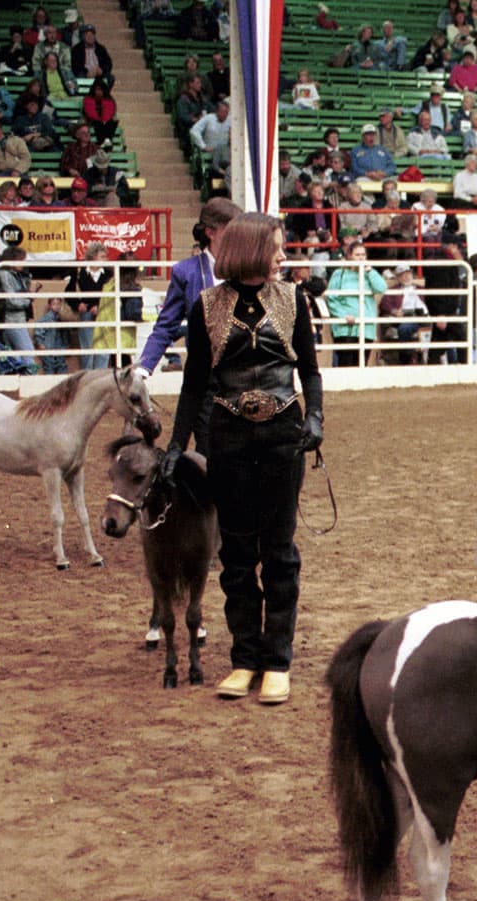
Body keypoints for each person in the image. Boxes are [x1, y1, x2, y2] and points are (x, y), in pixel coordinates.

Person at [160, 212, 323, 704]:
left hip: (282, 439)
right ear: (252, 250)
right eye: (276, 247)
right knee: (234, 555)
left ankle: (277, 660)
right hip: (226, 439)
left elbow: (310, 372)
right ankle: (244, 658)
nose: (283, 256)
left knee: (278, 552)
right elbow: (193, 386)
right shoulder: (206, 305)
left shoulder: (294, 300)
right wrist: (175, 444)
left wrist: (314, 418)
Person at [137, 197, 242, 376]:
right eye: (232, 230)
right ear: (211, 233)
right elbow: (166, 325)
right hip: (202, 377)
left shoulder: (247, 268)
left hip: (242, 376)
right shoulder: (186, 272)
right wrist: (143, 367)